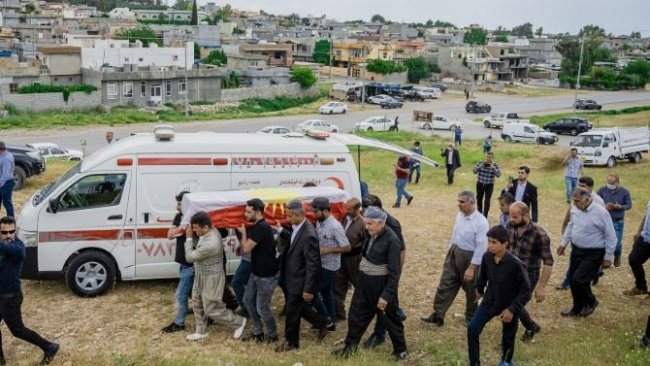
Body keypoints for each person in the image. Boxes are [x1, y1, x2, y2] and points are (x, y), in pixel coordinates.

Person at [332, 206, 407, 360]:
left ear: (381, 223)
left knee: (390, 319)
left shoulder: (392, 240)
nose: (366, 227)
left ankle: (400, 350)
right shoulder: (372, 233)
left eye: (370, 224)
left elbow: (395, 272)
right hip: (364, 282)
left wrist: (386, 296)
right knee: (356, 314)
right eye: (366, 223)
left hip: (381, 285)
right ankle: (349, 347)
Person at [422, 190, 489, 326]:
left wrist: (472, 267)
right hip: (455, 252)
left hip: (470, 257)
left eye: (462, 202)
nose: (459, 204)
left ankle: (472, 318)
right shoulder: (460, 215)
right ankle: (438, 315)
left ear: (472, 202)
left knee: (471, 290)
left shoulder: (481, 222)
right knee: (445, 284)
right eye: (458, 201)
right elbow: (455, 234)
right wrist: (450, 252)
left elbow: (481, 247)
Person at [468, 225, 531, 366]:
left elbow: (526, 291)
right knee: (472, 329)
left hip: (509, 305)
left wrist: (512, 309)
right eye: (489, 241)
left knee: (508, 337)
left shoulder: (516, 265)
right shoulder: (486, 257)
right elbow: (483, 277)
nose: (490, 245)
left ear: (505, 244)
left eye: (494, 242)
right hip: (489, 301)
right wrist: (478, 290)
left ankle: (506, 362)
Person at [0, 216, 60, 365]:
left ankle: (49, 346)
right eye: (4, 232)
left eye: (11, 232)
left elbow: (9, 249)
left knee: (18, 330)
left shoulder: (18, 248)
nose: (8, 235)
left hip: (10, 298)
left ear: (15, 231)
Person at [274, 199, 329, 352]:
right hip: (292, 277)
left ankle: (291, 342)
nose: (288, 219)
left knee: (292, 312)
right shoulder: (298, 227)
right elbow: (293, 239)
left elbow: (313, 264)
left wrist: (308, 289)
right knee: (299, 308)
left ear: (299, 214)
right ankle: (322, 322)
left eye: (290, 216)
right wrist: (281, 230)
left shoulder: (309, 234)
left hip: (300, 280)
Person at [184, 211, 247, 341]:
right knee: (197, 301)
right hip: (201, 273)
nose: (194, 230)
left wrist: (189, 238)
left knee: (212, 309)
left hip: (212, 277)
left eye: (196, 228)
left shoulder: (211, 243)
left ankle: (239, 322)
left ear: (205, 227)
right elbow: (198, 245)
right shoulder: (209, 230)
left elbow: (189, 257)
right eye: (193, 227)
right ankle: (200, 330)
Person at [557, 188, 616, 317]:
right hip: (577, 250)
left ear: (588, 199)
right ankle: (577, 308)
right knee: (573, 280)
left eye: (578, 201)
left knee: (580, 279)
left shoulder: (601, 213)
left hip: (594, 253)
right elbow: (571, 225)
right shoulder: (575, 208)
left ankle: (591, 301)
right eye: (574, 200)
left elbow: (611, 236)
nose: (575, 203)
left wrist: (608, 257)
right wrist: (563, 243)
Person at [360, 194, 407, 349]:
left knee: (386, 304)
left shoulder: (391, 225)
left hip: (387, 272)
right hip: (374, 272)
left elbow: (401, 249)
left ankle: (380, 334)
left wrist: (396, 276)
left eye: (367, 211)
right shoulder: (371, 223)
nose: (364, 215)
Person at [507, 202, 553, 343]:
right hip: (511, 272)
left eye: (515, 217)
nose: (511, 220)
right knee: (512, 302)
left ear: (526, 215)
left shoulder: (540, 235)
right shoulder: (510, 226)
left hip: (528, 276)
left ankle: (508, 341)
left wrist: (541, 286)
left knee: (514, 305)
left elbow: (548, 262)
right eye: (510, 216)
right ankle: (531, 326)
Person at [238, 198, 281, 343]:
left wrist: (243, 232)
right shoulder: (258, 226)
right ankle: (258, 332)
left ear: (257, 212)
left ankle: (273, 334)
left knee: (262, 307)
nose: (246, 214)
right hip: (257, 272)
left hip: (266, 275)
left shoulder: (261, 227)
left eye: (248, 212)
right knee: (247, 300)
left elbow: (245, 249)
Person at [557, 176, 605, 290]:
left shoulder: (598, 202)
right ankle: (567, 282)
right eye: (579, 185)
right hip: (578, 241)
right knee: (574, 264)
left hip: (592, 245)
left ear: (591, 187)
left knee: (583, 272)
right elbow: (570, 221)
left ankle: (594, 274)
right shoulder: (576, 198)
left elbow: (604, 227)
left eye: (583, 186)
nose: (580, 188)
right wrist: (564, 241)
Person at [311, 197, 350, 328]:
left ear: (325, 211)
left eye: (316, 212)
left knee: (312, 292)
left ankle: (325, 319)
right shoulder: (320, 222)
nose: (314, 214)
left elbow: (346, 247)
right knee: (327, 293)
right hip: (321, 264)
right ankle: (331, 323)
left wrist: (327, 250)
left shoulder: (335, 226)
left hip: (330, 267)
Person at [161, 191, 193, 333]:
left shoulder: (194, 218)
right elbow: (169, 235)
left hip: (190, 264)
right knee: (193, 293)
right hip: (182, 262)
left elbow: (184, 233)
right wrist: (180, 229)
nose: (177, 206)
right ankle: (206, 316)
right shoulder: (179, 217)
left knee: (180, 294)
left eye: (180, 203)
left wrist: (178, 230)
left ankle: (179, 323)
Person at [335, 198, 367, 321]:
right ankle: (339, 314)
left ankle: (363, 312)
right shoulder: (344, 218)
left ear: (357, 209)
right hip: (341, 258)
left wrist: (363, 260)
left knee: (360, 287)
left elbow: (367, 243)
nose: (346, 210)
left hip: (354, 260)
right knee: (338, 286)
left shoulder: (363, 223)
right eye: (346, 208)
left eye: (349, 209)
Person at [597, 172, 632, 267]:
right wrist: (604, 206)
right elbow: (595, 202)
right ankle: (605, 260)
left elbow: (629, 205)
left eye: (612, 183)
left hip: (617, 221)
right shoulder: (602, 190)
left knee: (616, 243)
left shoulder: (625, 192)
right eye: (608, 182)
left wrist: (619, 206)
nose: (610, 185)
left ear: (617, 182)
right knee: (603, 241)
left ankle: (617, 256)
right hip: (604, 220)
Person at [623, 198, 650, 297]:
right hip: (646, 236)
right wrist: (639, 231)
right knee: (634, 259)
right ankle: (641, 287)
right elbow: (647, 215)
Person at [473, 152, 501, 217]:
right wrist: (480, 167)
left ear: (493, 158)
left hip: (489, 185)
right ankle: (479, 214)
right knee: (479, 199)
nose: (488, 158)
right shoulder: (481, 163)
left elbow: (499, 175)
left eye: (490, 157)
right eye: (487, 157)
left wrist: (493, 168)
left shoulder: (495, 165)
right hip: (480, 183)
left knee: (487, 201)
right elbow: (474, 171)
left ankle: (485, 215)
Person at [0, 142, 16, 218]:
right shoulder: (4, 155)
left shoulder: (6, 158)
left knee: (7, 202)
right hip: (4, 182)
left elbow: (5, 175)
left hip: (6, 183)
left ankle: (11, 220)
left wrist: (0, 184)